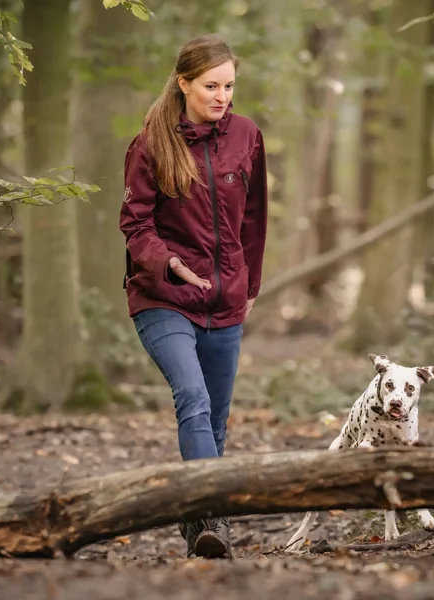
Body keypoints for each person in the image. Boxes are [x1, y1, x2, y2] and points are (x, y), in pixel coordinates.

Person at [119, 34, 268, 559]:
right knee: (194, 399)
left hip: (226, 301)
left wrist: (249, 286)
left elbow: (254, 217)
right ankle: (212, 514)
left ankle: (199, 526)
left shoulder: (247, 136)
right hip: (163, 298)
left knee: (218, 419)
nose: (222, 95)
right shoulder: (151, 145)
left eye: (229, 85)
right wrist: (170, 264)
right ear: (183, 83)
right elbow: (134, 224)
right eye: (211, 85)